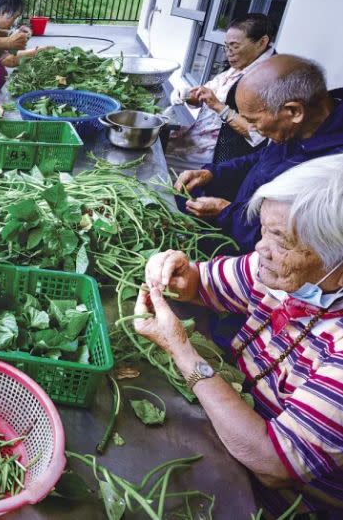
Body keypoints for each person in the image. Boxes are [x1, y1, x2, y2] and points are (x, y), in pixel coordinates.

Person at [136, 154, 343, 516]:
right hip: (223, 432)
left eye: (280, 239)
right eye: (264, 230)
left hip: (279, 501)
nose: (259, 248)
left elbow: (274, 463)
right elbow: (201, 283)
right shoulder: (281, 273)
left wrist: (182, 351)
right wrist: (174, 272)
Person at [174, 54, 343, 253]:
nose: (251, 128)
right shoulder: (300, 130)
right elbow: (262, 158)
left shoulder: (332, 172)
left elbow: (285, 241)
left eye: (253, 120)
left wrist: (226, 212)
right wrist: (213, 173)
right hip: (235, 222)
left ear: (294, 111)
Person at [166, 14, 276, 173]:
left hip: (214, 158)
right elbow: (205, 96)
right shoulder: (242, 63)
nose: (228, 53)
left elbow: (257, 136)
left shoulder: (268, 78)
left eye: (235, 46)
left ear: (262, 42)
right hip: (195, 138)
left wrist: (220, 107)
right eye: (226, 46)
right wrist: (189, 95)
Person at [0, 0, 48, 102]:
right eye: (14, 17)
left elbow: (4, 52)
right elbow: (10, 60)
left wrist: (21, 37)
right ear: (4, 12)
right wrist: (38, 52)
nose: (14, 22)